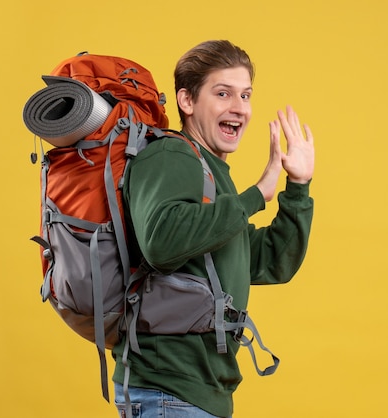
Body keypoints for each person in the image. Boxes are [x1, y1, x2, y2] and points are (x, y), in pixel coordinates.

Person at [111, 40, 315, 418]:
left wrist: (298, 188)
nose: (239, 108)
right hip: (169, 390)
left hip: (195, 394)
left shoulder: (211, 173)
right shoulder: (170, 154)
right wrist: (256, 195)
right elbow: (161, 240)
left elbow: (270, 262)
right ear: (187, 102)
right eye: (223, 94)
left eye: (246, 95)